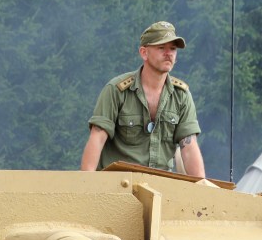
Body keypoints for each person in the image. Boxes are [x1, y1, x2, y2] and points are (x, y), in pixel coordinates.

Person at [80, 21, 205, 177]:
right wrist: (86, 183)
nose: (169, 53)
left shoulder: (181, 95)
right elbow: (97, 138)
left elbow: (189, 147)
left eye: (173, 48)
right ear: (144, 53)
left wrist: (202, 186)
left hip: (161, 184)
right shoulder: (117, 90)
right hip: (118, 183)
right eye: (161, 48)